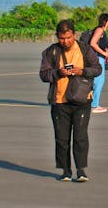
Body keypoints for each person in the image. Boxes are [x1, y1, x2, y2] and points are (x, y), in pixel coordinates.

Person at [39, 19, 102, 182]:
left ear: (74, 34)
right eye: (61, 38)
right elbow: (44, 75)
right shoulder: (50, 52)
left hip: (82, 101)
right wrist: (58, 73)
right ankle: (66, 171)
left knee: (80, 137)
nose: (65, 41)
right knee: (61, 138)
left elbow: (97, 69)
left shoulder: (85, 49)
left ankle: (81, 170)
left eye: (68, 37)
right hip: (59, 101)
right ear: (57, 37)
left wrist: (81, 71)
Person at [88, 13, 108, 114]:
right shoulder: (100, 29)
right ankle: (94, 105)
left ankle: (93, 103)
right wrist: (103, 53)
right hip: (97, 58)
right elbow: (92, 43)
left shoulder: (102, 30)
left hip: (99, 57)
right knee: (99, 81)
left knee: (97, 81)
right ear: (106, 21)